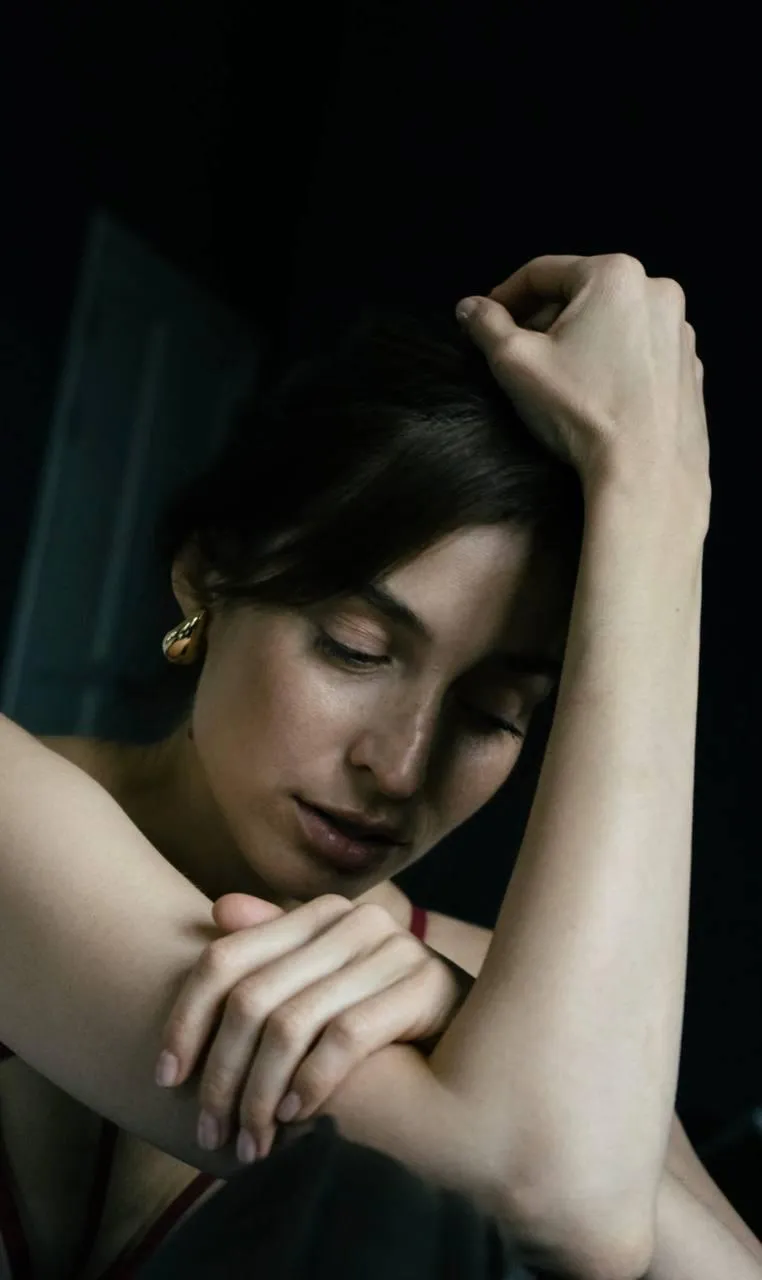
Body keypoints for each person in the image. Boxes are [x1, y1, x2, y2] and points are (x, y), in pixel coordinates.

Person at [2, 252, 749, 1280]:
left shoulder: (499, 1007)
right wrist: (656, 481)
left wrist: (658, 501)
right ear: (206, 578)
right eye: (355, 648)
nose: (398, 767)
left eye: (494, 713)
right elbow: (562, 1198)